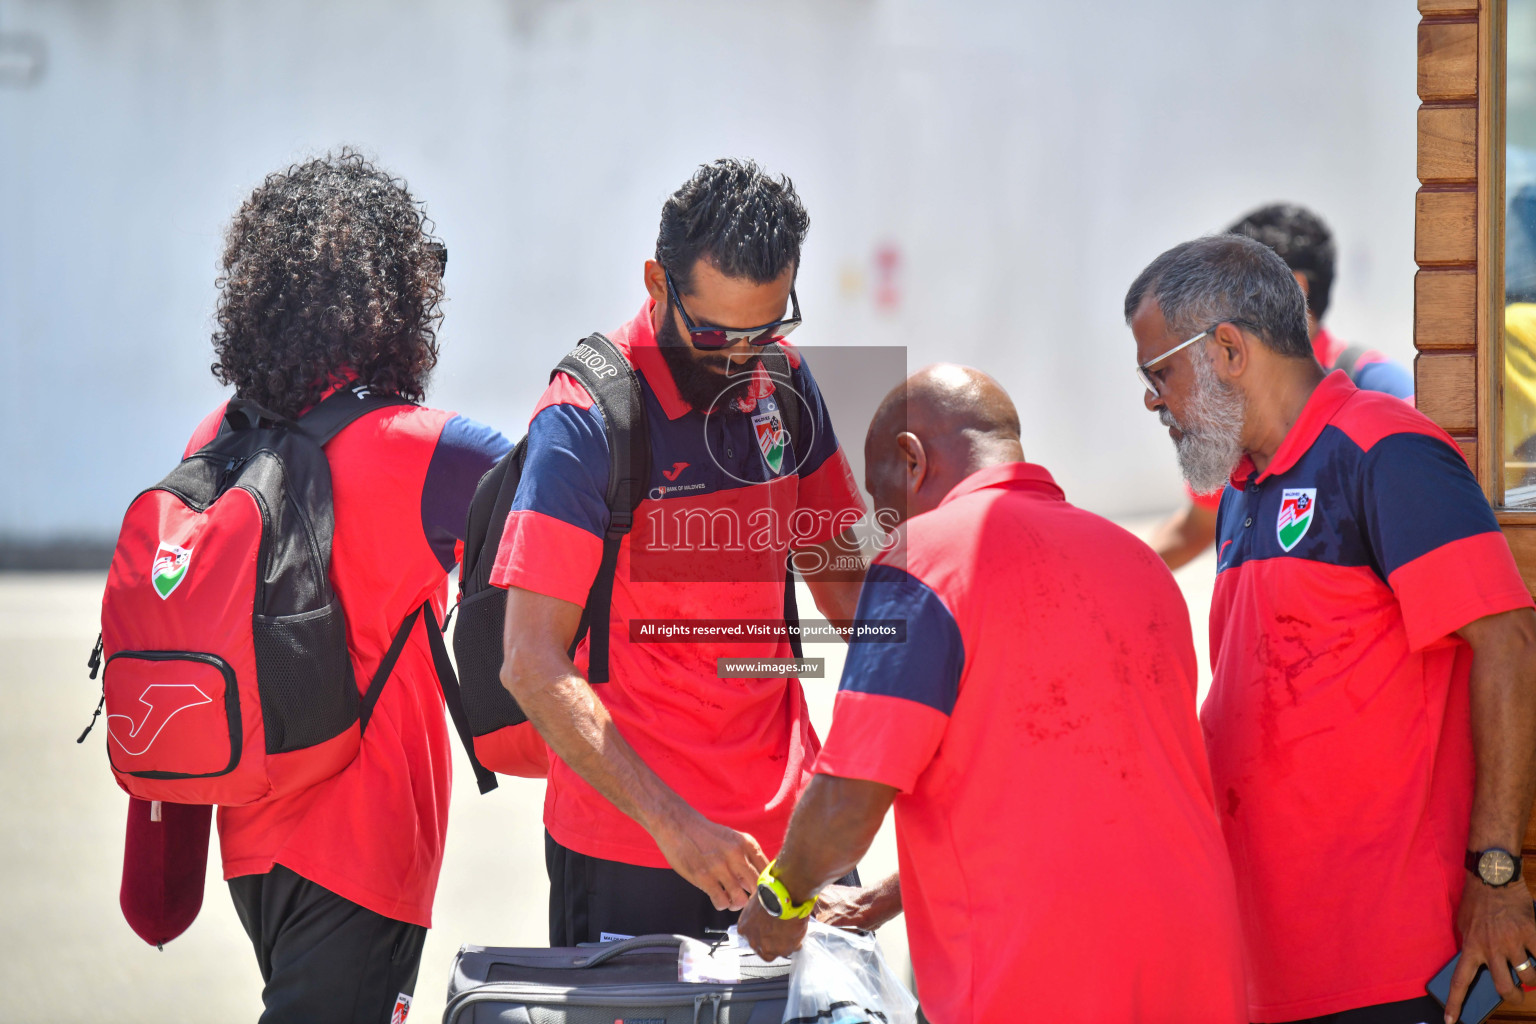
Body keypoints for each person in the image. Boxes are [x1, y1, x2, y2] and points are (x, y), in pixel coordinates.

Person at [739, 365, 1248, 1024]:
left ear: (911, 459)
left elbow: (847, 800)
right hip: (1198, 966)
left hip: (1037, 978)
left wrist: (782, 897)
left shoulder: (921, 563)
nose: (886, 522)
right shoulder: (1139, 564)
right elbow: (1084, 792)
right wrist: (896, 894)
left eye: (883, 498)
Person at [1125, 234, 1536, 1024]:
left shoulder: (1383, 451)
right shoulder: (1245, 487)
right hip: (1267, 961)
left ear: (1229, 349)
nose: (1152, 400)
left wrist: (1495, 875)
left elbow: (1510, 644)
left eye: (1158, 373)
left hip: (1383, 968)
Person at [179, 151, 525, 1022]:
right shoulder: (430, 448)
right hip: (364, 848)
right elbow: (567, 488)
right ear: (396, 302)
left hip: (247, 833)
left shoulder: (216, 437)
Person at [493, 158, 868, 944]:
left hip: (792, 837)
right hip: (634, 848)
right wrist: (674, 826)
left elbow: (846, 583)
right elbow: (530, 661)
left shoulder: (787, 383)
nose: (741, 356)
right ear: (656, 284)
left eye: (764, 329)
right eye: (713, 333)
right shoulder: (587, 418)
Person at [1152, 203, 1414, 569]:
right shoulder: (1236, 403)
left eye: (1226, 290)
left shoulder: (1380, 389)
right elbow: (1196, 526)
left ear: (1292, 290)